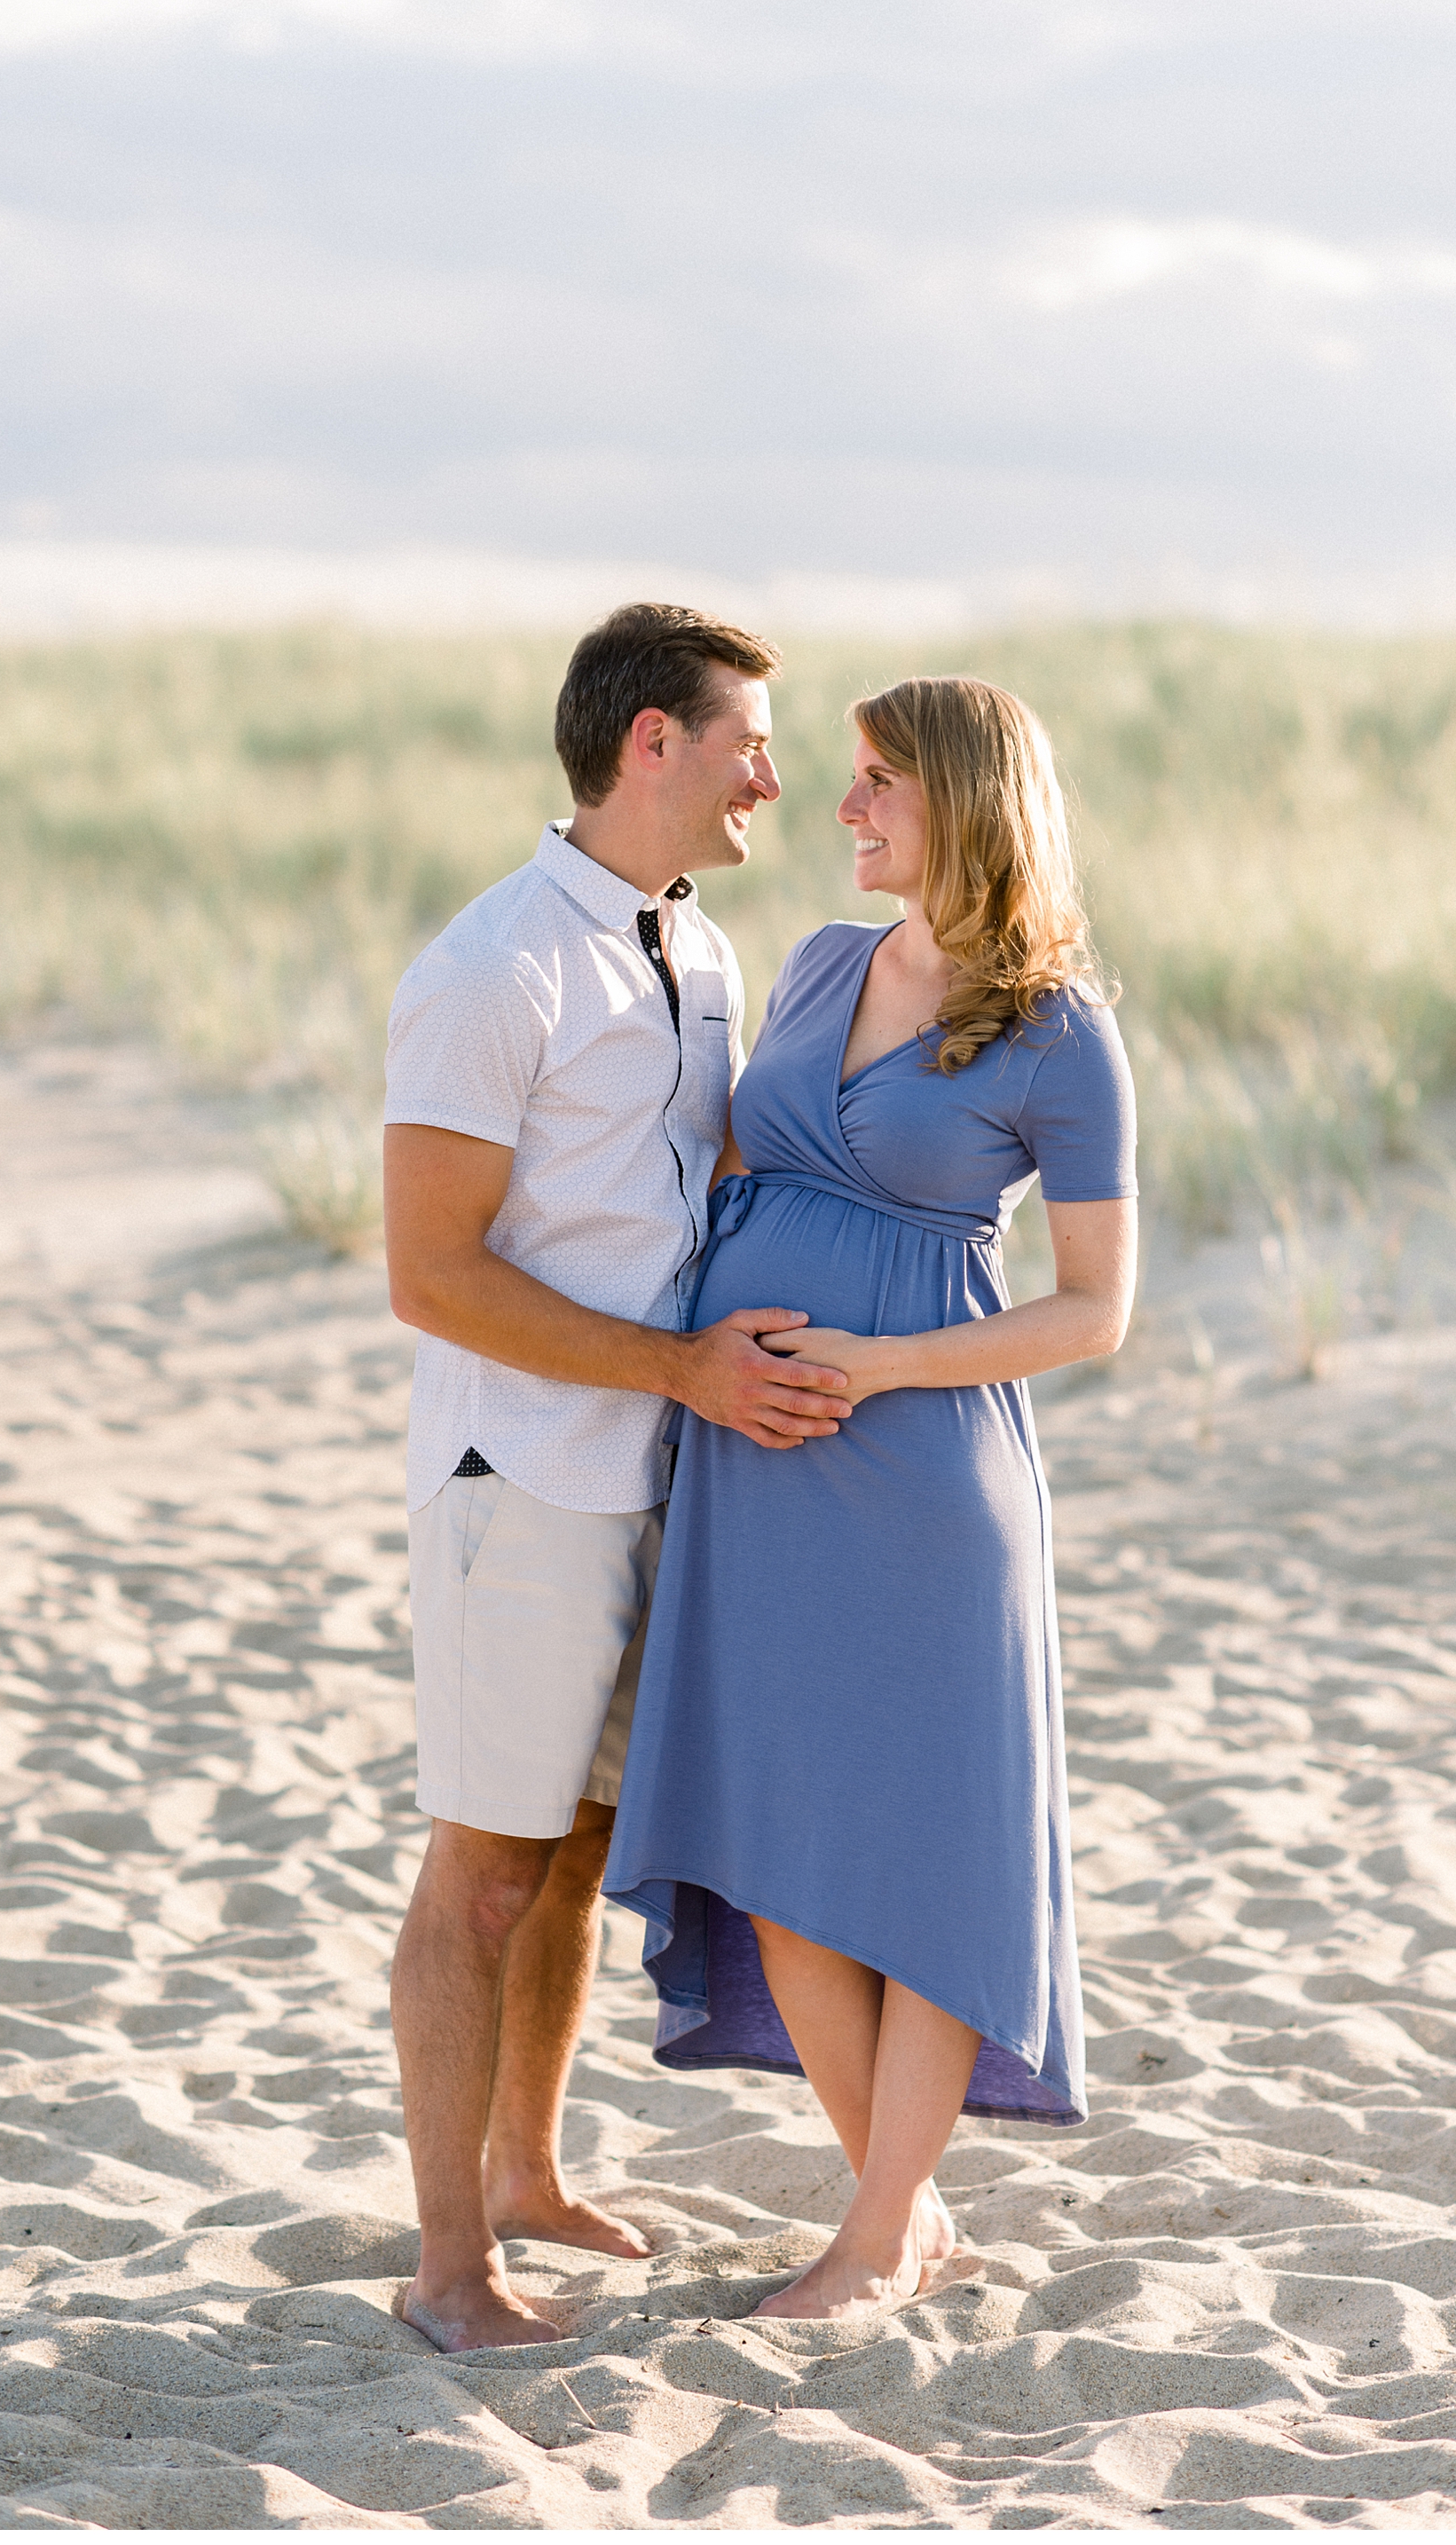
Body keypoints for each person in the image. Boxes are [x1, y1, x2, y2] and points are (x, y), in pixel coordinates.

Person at [602, 674, 1138, 2320]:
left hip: (918, 1478)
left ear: (967, 800)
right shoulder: (827, 963)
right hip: (756, 1471)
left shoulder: (1058, 1029)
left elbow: (1094, 1309)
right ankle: (892, 2215)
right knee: (780, 1857)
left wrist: (876, 1366)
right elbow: (746, 1167)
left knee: (926, 1857)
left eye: (879, 781)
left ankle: (874, 2232)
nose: (843, 808)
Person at [380, 602, 854, 2352]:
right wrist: (679, 1371)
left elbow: (709, 1180)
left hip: (673, 1479)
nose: (772, 778)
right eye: (747, 741)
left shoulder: (697, 948)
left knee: (575, 1854)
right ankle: (447, 2272)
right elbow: (430, 1272)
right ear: (649, 741)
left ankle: (527, 2173)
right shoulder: (488, 967)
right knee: (480, 1877)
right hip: (526, 1481)